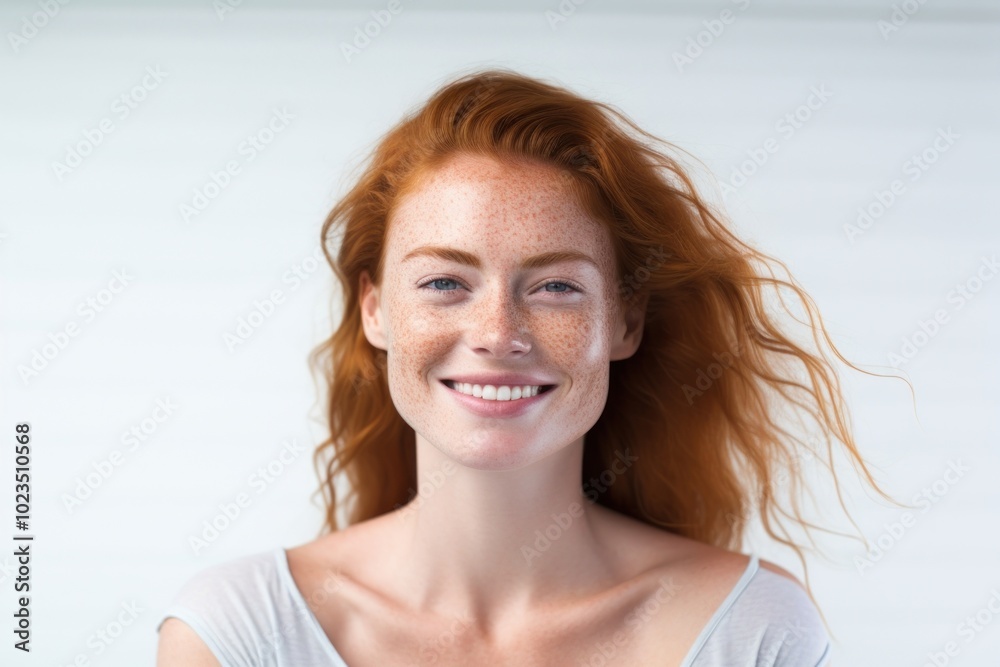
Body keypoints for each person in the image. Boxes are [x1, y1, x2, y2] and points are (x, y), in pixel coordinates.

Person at [157, 68, 897, 665]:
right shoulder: (235, 634)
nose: (498, 333)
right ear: (375, 311)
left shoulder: (749, 631)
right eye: (445, 282)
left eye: (554, 288)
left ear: (625, 321)